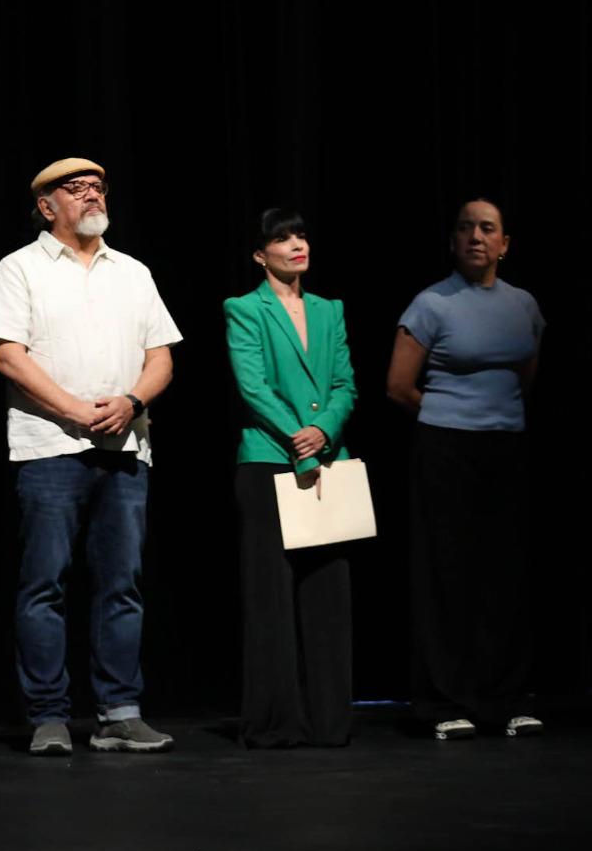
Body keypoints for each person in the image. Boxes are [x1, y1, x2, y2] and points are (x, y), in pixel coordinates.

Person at [0, 157, 182, 756]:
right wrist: (73, 409)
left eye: (97, 187)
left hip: (125, 447)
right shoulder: (19, 268)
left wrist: (131, 401)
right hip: (50, 448)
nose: (92, 195)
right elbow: (7, 354)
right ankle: (48, 716)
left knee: (122, 585)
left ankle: (120, 713)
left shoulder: (133, 272)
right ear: (47, 207)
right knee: (44, 585)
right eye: (76, 189)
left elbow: (162, 357)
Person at [385, 198, 545, 741]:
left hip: (507, 447)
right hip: (446, 448)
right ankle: (445, 701)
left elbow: (524, 375)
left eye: (487, 228)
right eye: (465, 228)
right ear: (453, 241)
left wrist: (494, 417)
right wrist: (454, 417)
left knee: (506, 574)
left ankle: (506, 698)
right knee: (448, 574)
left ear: (505, 243)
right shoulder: (431, 304)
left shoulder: (523, 304)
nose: (476, 236)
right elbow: (399, 386)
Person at [224, 208, 358, 747]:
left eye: (301, 235)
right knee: (271, 599)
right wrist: (300, 439)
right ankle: (277, 722)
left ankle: (330, 722)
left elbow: (345, 384)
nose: (297, 245)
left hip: (326, 459)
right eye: (282, 239)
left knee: (328, 596)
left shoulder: (330, 310)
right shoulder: (244, 309)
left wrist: (323, 431)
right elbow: (252, 387)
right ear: (261, 254)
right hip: (269, 460)